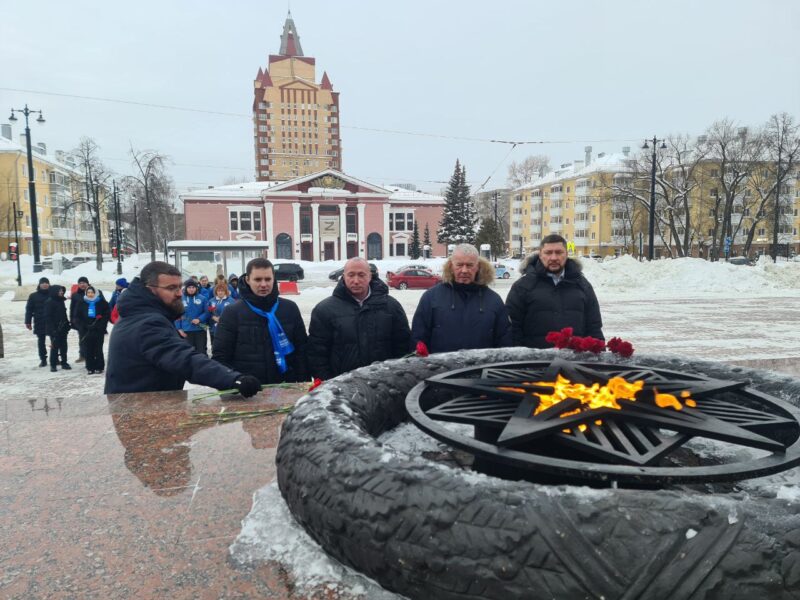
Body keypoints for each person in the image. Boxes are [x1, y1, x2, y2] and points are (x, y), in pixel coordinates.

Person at [104, 261, 260, 396]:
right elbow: (184, 359)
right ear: (150, 289)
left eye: (180, 287)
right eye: (171, 288)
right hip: (138, 409)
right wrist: (233, 379)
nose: (179, 293)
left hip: (145, 403)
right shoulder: (146, 323)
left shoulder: (144, 314)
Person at [308, 257, 411, 379]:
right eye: (351, 275)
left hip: (383, 383)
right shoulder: (325, 310)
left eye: (361, 275)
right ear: (343, 277)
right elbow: (317, 354)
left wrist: (395, 379)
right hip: (342, 385)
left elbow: (403, 348)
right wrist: (329, 383)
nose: (356, 281)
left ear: (370, 276)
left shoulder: (391, 307)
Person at [212, 258, 308, 384]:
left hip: (286, 385)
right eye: (257, 279)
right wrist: (237, 382)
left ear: (274, 279)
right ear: (248, 280)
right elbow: (221, 356)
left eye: (268, 279)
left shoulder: (289, 308)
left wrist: (303, 383)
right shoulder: (232, 312)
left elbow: (302, 350)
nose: (263, 284)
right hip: (248, 388)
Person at [505, 233, 604, 348]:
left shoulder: (583, 286)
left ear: (566, 254)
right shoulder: (522, 287)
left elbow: (594, 328)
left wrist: (598, 352)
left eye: (559, 252)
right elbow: (512, 330)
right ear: (540, 255)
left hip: (573, 359)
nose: (553, 258)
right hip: (535, 359)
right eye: (548, 253)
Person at [411, 244, 511, 354]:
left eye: (469, 265)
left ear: (478, 266)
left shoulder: (494, 301)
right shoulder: (431, 298)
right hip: (442, 365)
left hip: (481, 365)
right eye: (459, 265)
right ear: (451, 266)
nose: (464, 270)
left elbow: (505, 343)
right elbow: (418, 338)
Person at [74, 286, 110, 374]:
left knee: (98, 349)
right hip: (86, 330)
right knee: (88, 349)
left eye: (92, 292)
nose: (90, 294)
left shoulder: (102, 303)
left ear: (95, 293)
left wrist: (99, 325)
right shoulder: (81, 303)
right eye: (88, 293)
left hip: (98, 330)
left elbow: (106, 315)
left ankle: (99, 367)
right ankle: (90, 367)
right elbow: (77, 317)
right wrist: (84, 326)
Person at [175, 279, 210, 355]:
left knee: (201, 351)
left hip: (200, 329)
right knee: (188, 352)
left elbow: (207, 312)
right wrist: (179, 328)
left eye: (193, 287)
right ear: (186, 288)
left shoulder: (203, 298)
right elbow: (176, 314)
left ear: (196, 288)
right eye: (189, 287)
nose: (191, 289)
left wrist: (199, 319)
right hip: (186, 330)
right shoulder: (180, 299)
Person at [44, 285, 72, 372]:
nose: (62, 292)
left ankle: (64, 362)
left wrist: (67, 324)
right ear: (55, 291)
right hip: (54, 329)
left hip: (63, 328)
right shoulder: (49, 302)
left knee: (64, 346)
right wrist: (53, 330)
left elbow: (64, 314)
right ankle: (53, 364)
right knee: (54, 347)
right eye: (60, 291)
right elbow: (48, 317)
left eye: (62, 291)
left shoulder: (61, 301)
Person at [25, 276, 51, 367]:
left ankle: (55, 357)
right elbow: (29, 310)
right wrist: (28, 321)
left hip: (52, 321)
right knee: (41, 341)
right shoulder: (33, 296)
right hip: (39, 321)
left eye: (46, 283)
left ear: (49, 284)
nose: (44, 284)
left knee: (55, 340)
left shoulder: (53, 294)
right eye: (42, 283)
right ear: (39, 285)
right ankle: (43, 359)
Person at [70, 276, 90, 362]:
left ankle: (92, 355)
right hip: (80, 321)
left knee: (93, 339)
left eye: (84, 283)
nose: (82, 285)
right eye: (80, 283)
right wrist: (72, 320)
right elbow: (72, 308)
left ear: (87, 283)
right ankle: (82, 355)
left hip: (92, 320)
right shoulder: (75, 295)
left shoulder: (94, 292)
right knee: (82, 339)